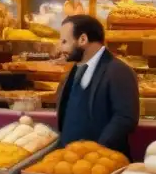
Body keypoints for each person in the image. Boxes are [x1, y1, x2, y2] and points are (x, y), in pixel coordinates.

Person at [56, 15, 139, 155]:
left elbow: (125, 118)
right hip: (69, 161)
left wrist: (98, 150)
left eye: (65, 41)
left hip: (102, 164)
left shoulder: (118, 70)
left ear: (83, 39)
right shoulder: (74, 70)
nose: (60, 48)